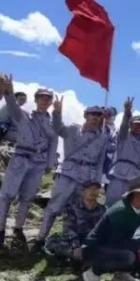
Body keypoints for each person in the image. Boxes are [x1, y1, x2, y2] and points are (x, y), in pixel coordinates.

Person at [34, 101, 110, 249]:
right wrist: (57, 112)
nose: (95, 117)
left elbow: (100, 161)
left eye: (98, 115)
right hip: (68, 173)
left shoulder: (102, 138)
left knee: (77, 210)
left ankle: (68, 242)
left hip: (87, 178)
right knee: (54, 207)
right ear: (86, 116)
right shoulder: (73, 129)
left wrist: (97, 181)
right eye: (91, 114)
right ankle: (40, 239)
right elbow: (57, 128)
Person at [0, 80, 58, 250]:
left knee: (27, 197)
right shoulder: (24, 116)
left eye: (48, 99)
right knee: (7, 194)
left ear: (51, 102)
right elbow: (12, 107)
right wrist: (9, 91)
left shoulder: (52, 124)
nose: (45, 101)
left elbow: (53, 144)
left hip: (38, 162)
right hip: (21, 157)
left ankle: (18, 228)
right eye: (42, 98)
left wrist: (50, 164)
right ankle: (0, 230)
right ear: (36, 100)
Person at [81, 175, 140, 281]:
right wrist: (134, 251)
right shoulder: (120, 211)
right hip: (96, 248)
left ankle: (122, 274)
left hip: (118, 243)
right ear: (138, 193)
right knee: (129, 256)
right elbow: (109, 240)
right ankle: (93, 272)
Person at [43, 181, 106, 266]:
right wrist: (76, 247)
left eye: (96, 189)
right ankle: (73, 255)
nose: (93, 191)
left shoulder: (103, 210)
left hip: (93, 242)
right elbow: (68, 229)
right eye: (90, 189)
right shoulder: (72, 207)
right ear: (83, 191)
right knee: (51, 241)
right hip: (74, 240)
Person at [107, 98, 140, 204]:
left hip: (136, 177)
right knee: (113, 202)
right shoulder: (124, 136)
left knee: (128, 205)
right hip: (121, 173)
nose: (139, 127)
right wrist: (127, 113)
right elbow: (124, 126)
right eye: (136, 124)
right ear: (131, 125)